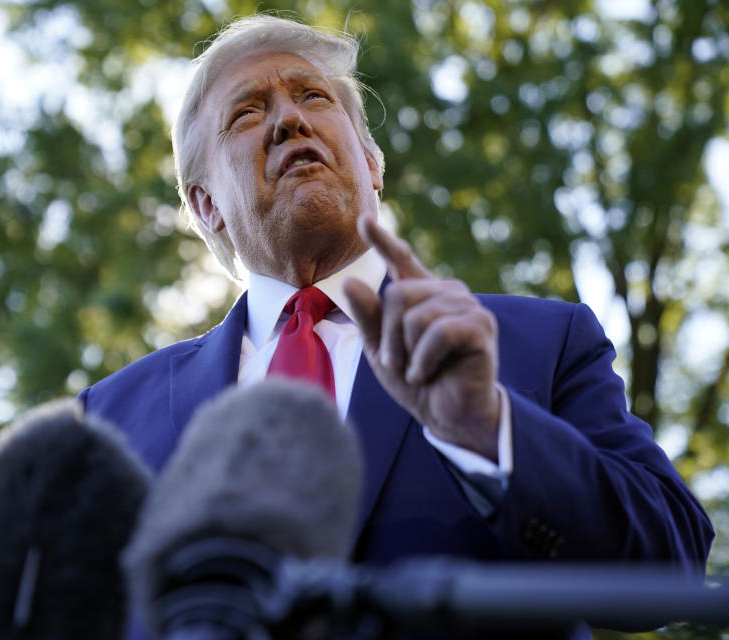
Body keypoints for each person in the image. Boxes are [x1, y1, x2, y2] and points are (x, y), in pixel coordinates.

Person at [78, 14, 713, 638]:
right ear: (205, 204)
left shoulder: (543, 343)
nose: (287, 120)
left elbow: (669, 571)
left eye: (313, 96)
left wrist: (486, 427)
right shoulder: (110, 417)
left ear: (373, 162)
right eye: (246, 112)